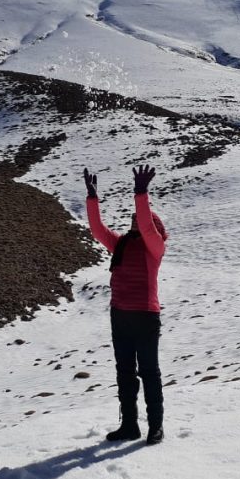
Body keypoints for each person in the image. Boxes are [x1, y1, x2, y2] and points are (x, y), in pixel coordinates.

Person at [83, 164, 168, 446]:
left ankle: (155, 427)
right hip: (120, 316)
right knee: (124, 373)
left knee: (149, 372)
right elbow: (97, 230)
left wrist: (141, 193)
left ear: (154, 228)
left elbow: (145, 223)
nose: (135, 223)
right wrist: (92, 198)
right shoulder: (120, 244)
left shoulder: (154, 247)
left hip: (145, 316)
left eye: (140, 221)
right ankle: (129, 426)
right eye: (132, 220)